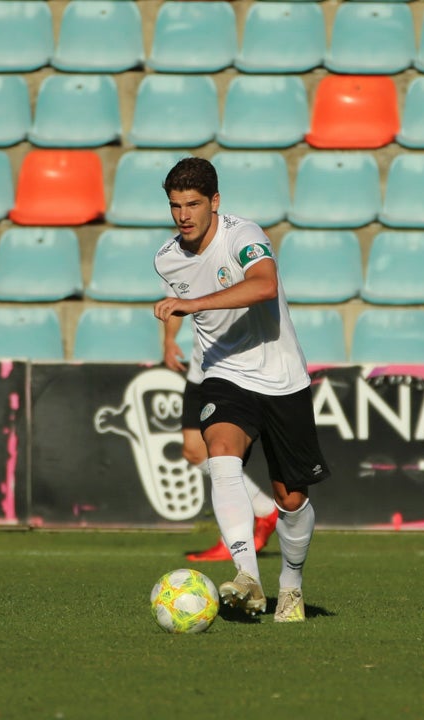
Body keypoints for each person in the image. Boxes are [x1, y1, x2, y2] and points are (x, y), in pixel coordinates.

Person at [154, 157, 330, 622]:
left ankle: (290, 585)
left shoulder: (244, 236)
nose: (183, 215)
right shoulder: (167, 258)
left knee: (292, 499)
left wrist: (190, 305)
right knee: (220, 451)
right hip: (224, 373)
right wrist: (172, 332)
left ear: (215, 202)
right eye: (175, 206)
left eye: (193, 204)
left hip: (281, 377)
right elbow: (184, 303)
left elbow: (264, 285)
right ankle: (247, 577)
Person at [162, 315, 278, 562]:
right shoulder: (187, 274)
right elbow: (174, 297)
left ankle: (232, 541)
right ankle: (266, 510)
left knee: (223, 452)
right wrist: (169, 339)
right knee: (194, 450)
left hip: (237, 373)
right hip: (200, 371)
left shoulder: (235, 275)